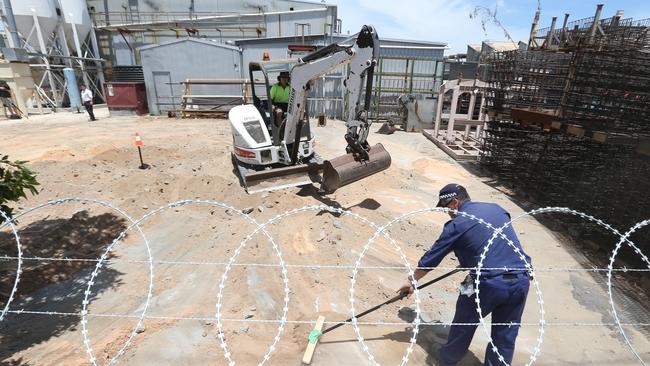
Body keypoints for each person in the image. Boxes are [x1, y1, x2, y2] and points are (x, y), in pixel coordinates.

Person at [398, 183, 531, 366]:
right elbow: (492, 238)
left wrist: (412, 282)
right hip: (521, 278)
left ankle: (448, 357)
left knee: (465, 321)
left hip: (488, 283)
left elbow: (431, 259)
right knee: (505, 332)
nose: (448, 213)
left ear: (454, 203)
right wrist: (471, 257)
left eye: (447, 208)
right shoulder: (497, 209)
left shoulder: (457, 224)